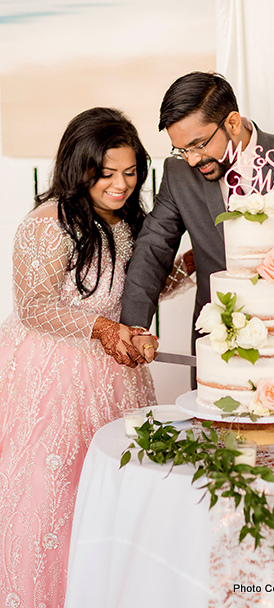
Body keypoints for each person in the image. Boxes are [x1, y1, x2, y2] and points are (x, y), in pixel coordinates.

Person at [0, 107, 159, 607]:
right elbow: (34, 306)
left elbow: (133, 287)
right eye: (106, 173)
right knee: (49, 495)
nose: (121, 185)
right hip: (51, 378)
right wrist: (103, 328)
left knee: (114, 489)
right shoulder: (46, 224)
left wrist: (193, 267)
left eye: (130, 172)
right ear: (78, 167)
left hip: (112, 375)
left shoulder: (128, 219)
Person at [120, 71, 274, 394]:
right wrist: (135, 323)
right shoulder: (179, 173)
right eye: (181, 150)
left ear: (233, 122)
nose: (192, 159)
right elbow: (153, 247)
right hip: (219, 360)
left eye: (199, 145)